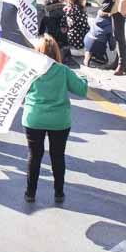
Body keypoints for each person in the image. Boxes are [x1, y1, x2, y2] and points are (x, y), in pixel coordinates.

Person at [21, 35, 88, 203]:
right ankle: (59, 193)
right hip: (59, 121)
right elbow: (82, 90)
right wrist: (84, 76)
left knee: (34, 156)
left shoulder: (31, 70)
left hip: (34, 118)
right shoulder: (63, 70)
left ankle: (30, 193)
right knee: (58, 156)